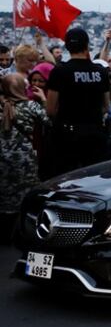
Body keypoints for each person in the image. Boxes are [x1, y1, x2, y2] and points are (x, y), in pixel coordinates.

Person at [45, 28, 111, 173]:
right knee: (95, 177)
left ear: (67, 47)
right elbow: (107, 106)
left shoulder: (59, 71)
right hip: (95, 133)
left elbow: (50, 110)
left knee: (67, 179)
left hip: (67, 135)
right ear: (87, 46)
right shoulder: (101, 72)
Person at [1, 74, 48, 243]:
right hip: (24, 157)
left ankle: (4, 231)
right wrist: (44, 100)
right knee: (26, 192)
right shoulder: (30, 106)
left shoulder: (2, 105)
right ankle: (22, 231)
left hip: (2, 157)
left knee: (4, 191)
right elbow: (49, 121)